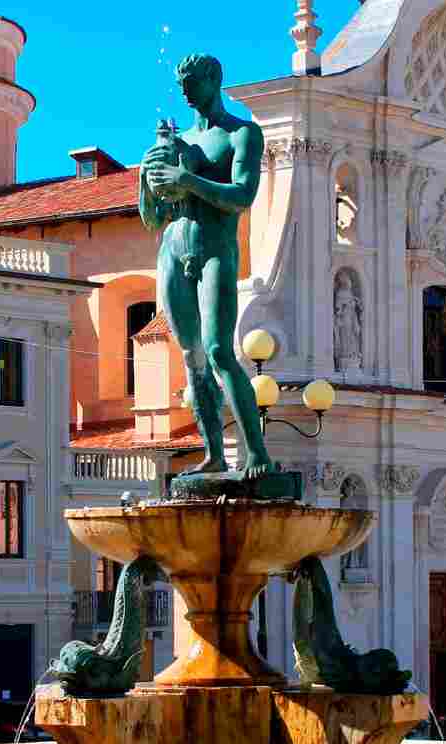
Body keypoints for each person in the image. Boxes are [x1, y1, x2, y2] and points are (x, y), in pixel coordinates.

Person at [140, 54, 274, 479]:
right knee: (191, 357)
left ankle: (256, 454)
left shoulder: (242, 134)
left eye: (191, 81)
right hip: (172, 251)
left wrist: (189, 181)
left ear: (214, 79)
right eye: (179, 83)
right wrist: (145, 181)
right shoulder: (178, 143)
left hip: (216, 248)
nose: (183, 90)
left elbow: (242, 196)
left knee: (218, 350)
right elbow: (153, 219)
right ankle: (214, 453)